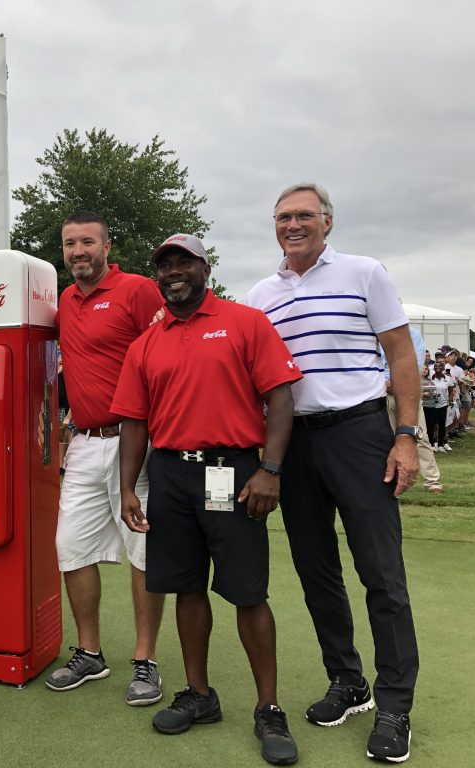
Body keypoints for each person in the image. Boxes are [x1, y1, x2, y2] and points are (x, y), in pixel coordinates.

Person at [246, 183, 420, 763]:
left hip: (360, 432)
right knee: (316, 569)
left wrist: (406, 436)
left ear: (327, 221)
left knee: (380, 573)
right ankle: (349, 681)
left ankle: (395, 704)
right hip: (294, 443)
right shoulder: (260, 294)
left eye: (302, 216)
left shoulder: (365, 272)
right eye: (282, 217)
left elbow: (400, 355)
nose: (291, 225)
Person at [115, 233, 302, 766]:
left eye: (183, 262)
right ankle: (200, 695)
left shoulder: (245, 321)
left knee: (247, 592)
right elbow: (134, 421)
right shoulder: (146, 343)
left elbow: (280, 396)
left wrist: (270, 468)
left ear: (205, 268)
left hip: (232, 470)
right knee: (185, 587)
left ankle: (269, 707)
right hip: (172, 474)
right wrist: (129, 486)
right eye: (165, 265)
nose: (173, 271)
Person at [45, 211, 167, 706]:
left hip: (134, 441)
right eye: (70, 244)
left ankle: (145, 660)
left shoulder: (137, 290)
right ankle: (90, 653)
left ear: (106, 246)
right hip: (84, 442)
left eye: (87, 242)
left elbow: (165, 354)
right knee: (70, 546)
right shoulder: (64, 301)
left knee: (142, 554)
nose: (78, 252)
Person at [381, 326, 444, 491]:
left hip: (406, 392)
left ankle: (432, 481)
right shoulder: (373, 332)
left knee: (419, 435)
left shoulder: (412, 334)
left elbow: (415, 363)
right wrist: (382, 381)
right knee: (384, 438)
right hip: (379, 392)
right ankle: (390, 479)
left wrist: (396, 382)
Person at [423, 362, 453, 453]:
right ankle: (432, 444)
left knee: (442, 425)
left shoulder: (448, 379)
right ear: (434, 368)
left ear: (443, 368)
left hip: (443, 404)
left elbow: (451, 391)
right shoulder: (430, 379)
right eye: (436, 366)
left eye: (440, 366)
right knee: (431, 425)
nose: (438, 368)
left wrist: (450, 400)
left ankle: (441, 444)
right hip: (432, 405)